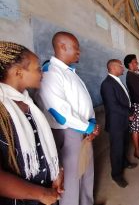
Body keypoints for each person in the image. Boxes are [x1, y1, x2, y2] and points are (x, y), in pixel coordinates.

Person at [37, 32, 100, 205]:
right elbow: (59, 113)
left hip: (84, 129)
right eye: (76, 48)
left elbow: (83, 103)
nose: (79, 52)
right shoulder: (51, 72)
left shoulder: (70, 72)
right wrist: (87, 127)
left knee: (86, 172)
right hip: (68, 133)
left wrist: (92, 123)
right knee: (72, 179)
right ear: (63, 47)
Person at [0, 41, 63, 205]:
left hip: (47, 193)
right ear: (18, 73)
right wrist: (41, 194)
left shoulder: (30, 103)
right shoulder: (2, 111)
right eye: (37, 69)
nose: (41, 73)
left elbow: (44, 144)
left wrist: (56, 172)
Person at [101, 59, 137, 188]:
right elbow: (113, 106)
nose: (123, 68)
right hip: (116, 122)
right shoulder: (107, 84)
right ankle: (116, 175)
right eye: (121, 66)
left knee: (125, 144)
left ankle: (125, 162)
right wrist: (129, 114)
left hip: (124, 120)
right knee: (116, 149)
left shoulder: (116, 80)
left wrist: (129, 112)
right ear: (113, 67)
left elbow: (124, 100)